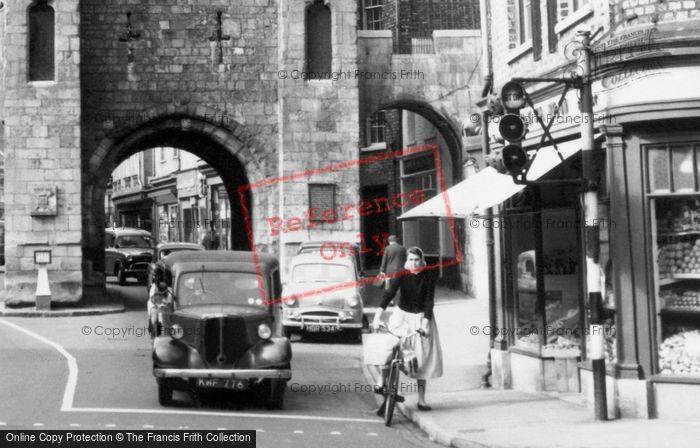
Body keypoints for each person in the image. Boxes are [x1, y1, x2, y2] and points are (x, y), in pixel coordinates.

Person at [372, 246, 443, 413]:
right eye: (411, 260)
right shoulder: (401, 275)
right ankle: (382, 381)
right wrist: (378, 315)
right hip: (402, 316)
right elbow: (389, 294)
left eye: (417, 260)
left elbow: (429, 302)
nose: (414, 263)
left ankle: (421, 399)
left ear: (423, 261)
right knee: (388, 347)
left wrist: (425, 323)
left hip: (421, 318)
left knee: (422, 358)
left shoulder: (429, 276)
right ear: (406, 262)